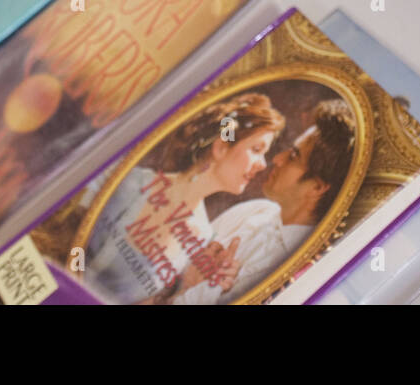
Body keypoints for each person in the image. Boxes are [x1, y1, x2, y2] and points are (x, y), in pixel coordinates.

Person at [80, 93, 285, 305]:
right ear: (222, 146)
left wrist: (188, 288)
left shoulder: (201, 237)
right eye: (257, 149)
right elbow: (69, 237)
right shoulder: (133, 183)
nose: (262, 164)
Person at [171, 97, 357, 304]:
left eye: (294, 156)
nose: (276, 160)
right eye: (256, 150)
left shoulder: (300, 276)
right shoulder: (254, 211)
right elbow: (172, 272)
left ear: (317, 187)